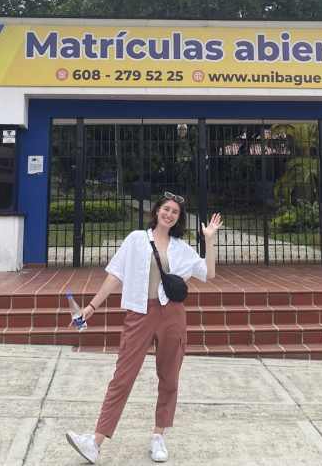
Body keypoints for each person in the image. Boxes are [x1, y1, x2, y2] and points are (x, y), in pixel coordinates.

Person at [66, 192, 223, 464]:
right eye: (166, 208)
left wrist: (208, 239)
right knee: (122, 378)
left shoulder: (180, 249)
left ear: (178, 219)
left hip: (172, 315)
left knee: (169, 377)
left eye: (175, 212)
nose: (169, 214)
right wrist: (91, 307)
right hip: (139, 314)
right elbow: (115, 275)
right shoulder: (137, 240)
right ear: (157, 211)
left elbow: (208, 274)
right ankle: (95, 441)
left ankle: (158, 436)